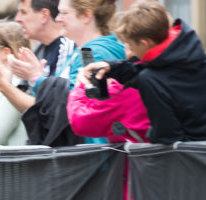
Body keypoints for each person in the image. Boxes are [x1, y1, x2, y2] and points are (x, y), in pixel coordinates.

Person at [86, 0, 206, 144]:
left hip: (190, 158)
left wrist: (148, 136)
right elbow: (161, 71)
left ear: (144, 43)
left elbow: (167, 135)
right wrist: (113, 67)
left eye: (130, 44)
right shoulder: (190, 53)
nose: (129, 49)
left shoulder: (150, 79)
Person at [0, 0, 74, 114]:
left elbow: (54, 108)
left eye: (23, 12)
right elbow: (31, 109)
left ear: (44, 15)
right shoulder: (37, 51)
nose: (17, 19)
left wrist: (2, 84)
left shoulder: (68, 47)